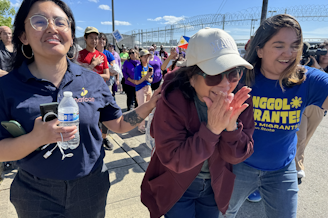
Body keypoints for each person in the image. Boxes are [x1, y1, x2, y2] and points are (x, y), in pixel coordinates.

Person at [0, 1, 160, 217]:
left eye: (60, 22)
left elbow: (119, 124)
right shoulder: (7, 87)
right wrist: (35, 138)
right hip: (35, 194)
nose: (51, 28)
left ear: (70, 33)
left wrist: (150, 105)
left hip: (90, 188)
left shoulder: (92, 80)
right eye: (39, 21)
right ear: (23, 36)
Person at [221, 14, 328, 218]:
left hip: (282, 170)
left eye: (295, 45)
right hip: (240, 166)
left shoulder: (307, 80)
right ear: (259, 49)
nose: (288, 53)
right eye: (279, 45)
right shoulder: (239, 77)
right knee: (223, 213)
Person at [141, 27, 255, 218]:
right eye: (214, 75)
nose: (226, 84)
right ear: (191, 77)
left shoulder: (240, 101)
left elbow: (237, 156)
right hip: (176, 188)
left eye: (233, 73)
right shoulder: (171, 100)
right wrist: (212, 130)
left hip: (215, 187)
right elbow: (174, 159)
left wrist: (231, 128)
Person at [295, 40, 328, 183]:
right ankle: (297, 167)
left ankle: (296, 163)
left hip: (319, 109)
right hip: (303, 105)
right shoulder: (306, 62)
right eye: (323, 52)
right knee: (299, 138)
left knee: (305, 139)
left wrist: (318, 68)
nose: (325, 56)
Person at [96, 32, 117, 151]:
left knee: (106, 113)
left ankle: (104, 138)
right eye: (100, 39)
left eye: (104, 40)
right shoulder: (91, 53)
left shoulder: (107, 54)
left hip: (105, 87)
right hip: (91, 89)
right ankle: (97, 137)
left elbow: (113, 69)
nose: (101, 41)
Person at [134, 49, 153, 133]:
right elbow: (137, 82)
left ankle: (151, 125)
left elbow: (151, 80)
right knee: (142, 109)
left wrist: (149, 77)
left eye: (147, 56)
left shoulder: (149, 67)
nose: (146, 58)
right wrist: (146, 76)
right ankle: (141, 127)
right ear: (140, 57)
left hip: (148, 88)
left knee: (152, 107)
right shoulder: (138, 68)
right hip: (140, 89)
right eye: (145, 56)